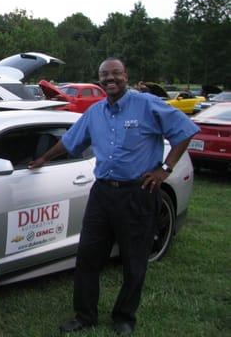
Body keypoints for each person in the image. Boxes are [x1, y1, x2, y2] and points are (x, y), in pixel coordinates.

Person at [29, 58, 199, 336]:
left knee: (134, 261)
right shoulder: (95, 113)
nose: (110, 79)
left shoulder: (146, 104)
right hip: (102, 193)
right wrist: (44, 158)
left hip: (139, 193)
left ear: (125, 76)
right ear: (99, 79)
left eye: (116, 74)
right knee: (87, 256)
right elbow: (70, 141)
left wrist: (164, 169)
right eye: (105, 75)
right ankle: (85, 315)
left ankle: (124, 317)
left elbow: (185, 132)